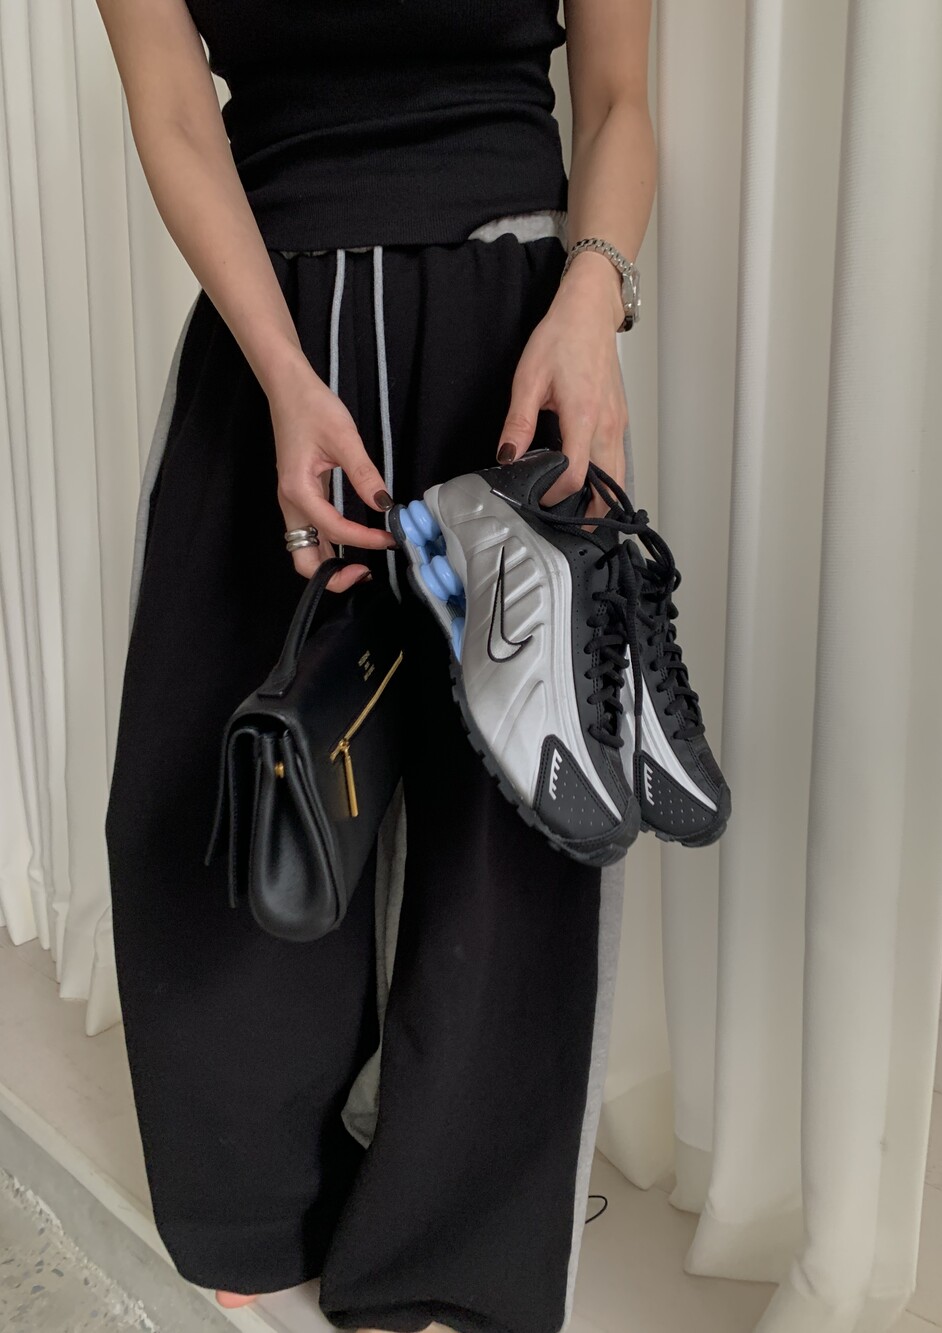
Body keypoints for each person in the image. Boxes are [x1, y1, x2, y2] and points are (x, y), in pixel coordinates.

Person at [96, 2, 656, 1330]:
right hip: (274, 336)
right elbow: (174, 112)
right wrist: (283, 374)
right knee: (230, 770)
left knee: (513, 815)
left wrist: (595, 295)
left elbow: (619, 98)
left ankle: (452, 1245)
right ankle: (254, 1190)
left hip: (517, 337)